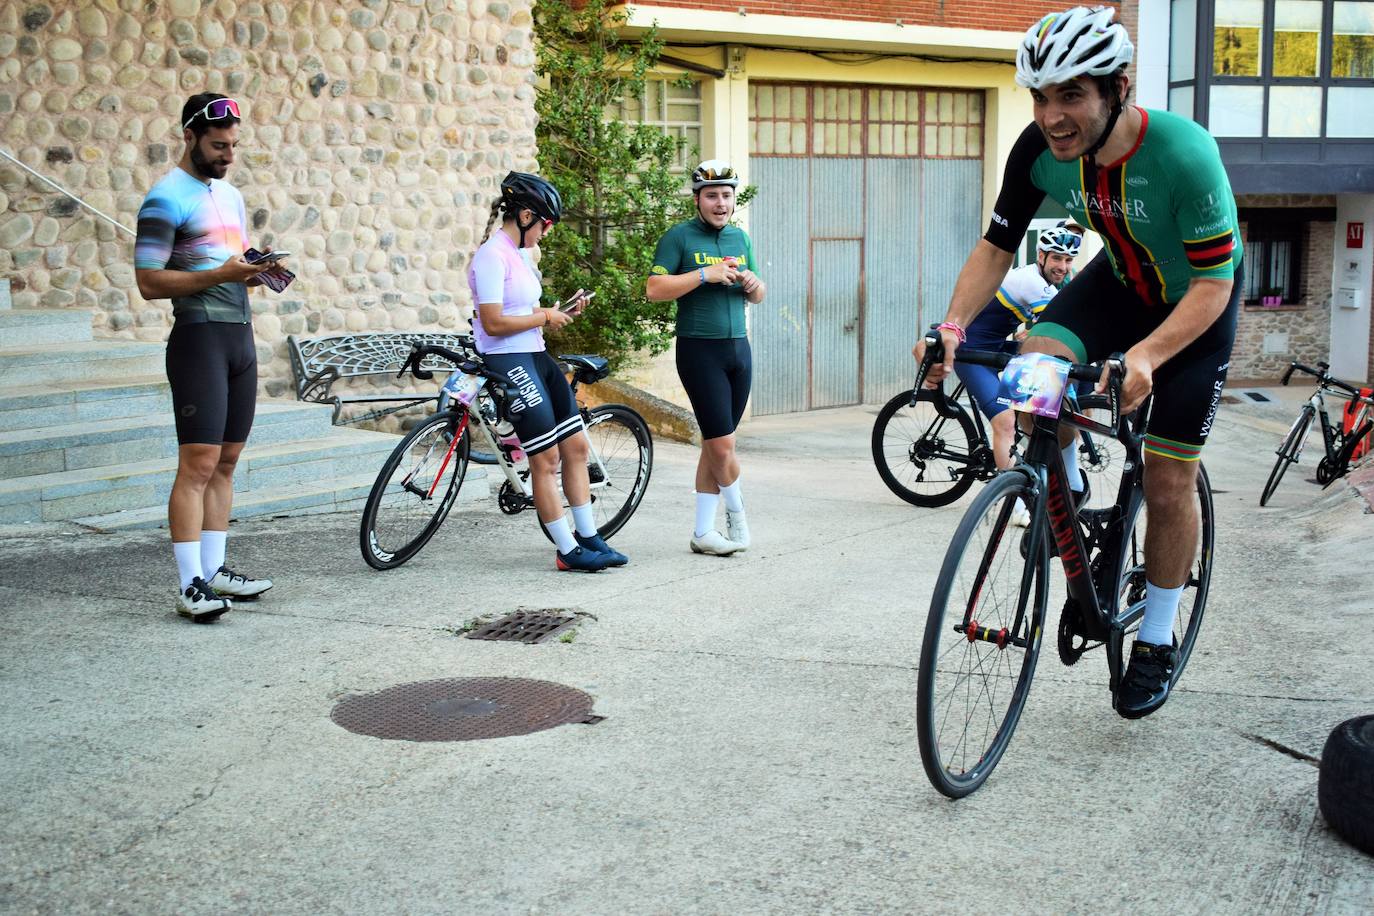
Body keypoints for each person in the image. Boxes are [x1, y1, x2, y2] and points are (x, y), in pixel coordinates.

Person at [913, 6, 1242, 719]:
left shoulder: (1183, 153)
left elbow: (1215, 284)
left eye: (1070, 96)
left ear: (1118, 88)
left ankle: (1155, 637)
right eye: (1039, 96)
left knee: (1166, 475)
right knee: (1035, 370)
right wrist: (951, 327)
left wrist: (1149, 357)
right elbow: (996, 247)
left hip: (1194, 310)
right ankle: (1057, 494)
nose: (1052, 116)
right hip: (1119, 288)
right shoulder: (1035, 148)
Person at [135, 93, 286, 623]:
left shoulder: (231, 195)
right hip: (198, 339)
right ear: (190, 136)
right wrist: (221, 275)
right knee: (197, 465)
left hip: (239, 337)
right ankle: (188, 583)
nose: (228, 154)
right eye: (219, 145)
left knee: (226, 462)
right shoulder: (164, 198)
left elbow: (231, 258)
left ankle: (216, 568)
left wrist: (257, 270)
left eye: (234, 146)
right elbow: (149, 281)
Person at [468, 171, 626, 573]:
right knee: (546, 459)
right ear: (524, 217)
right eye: (545, 224)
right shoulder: (491, 255)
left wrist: (559, 312)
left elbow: (524, 313)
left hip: (536, 355)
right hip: (507, 360)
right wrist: (543, 315)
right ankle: (566, 550)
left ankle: (589, 537)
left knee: (576, 448)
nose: (547, 232)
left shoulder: (519, 254)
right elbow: (493, 323)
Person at [645, 160, 767, 557]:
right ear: (697, 199)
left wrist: (754, 285)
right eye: (712, 196)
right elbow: (655, 288)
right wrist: (704, 276)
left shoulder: (740, 238)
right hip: (700, 350)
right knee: (722, 446)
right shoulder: (679, 237)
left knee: (716, 446)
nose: (720, 203)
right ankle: (738, 517)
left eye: (726, 196)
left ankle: (702, 532)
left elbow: (758, 295)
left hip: (739, 350)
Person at [954, 225, 1081, 511]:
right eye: (1057, 258)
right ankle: (1016, 502)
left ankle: (1048, 466)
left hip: (997, 346)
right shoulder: (1031, 282)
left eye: (1069, 260)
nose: (1063, 266)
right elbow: (1061, 325)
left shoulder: (1053, 280)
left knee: (1049, 381)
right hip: (972, 354)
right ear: (1041, 256)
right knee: (1006, 422)